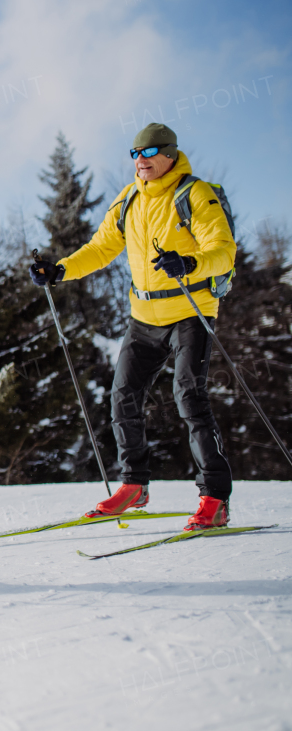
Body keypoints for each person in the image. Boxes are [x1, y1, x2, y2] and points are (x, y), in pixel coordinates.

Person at [30, 123, 236, 531]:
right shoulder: (128, 200)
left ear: (171, 154)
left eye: (150, 151)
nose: (140, 160)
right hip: (144, 318)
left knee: (189, 397)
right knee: (122, 396)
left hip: (190, 311)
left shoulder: (194, 194)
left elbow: (223, 250)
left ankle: (215, 497)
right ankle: (133, 484)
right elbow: (102, 248)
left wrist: (190, 262)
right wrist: (60, 270)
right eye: (135, 153)